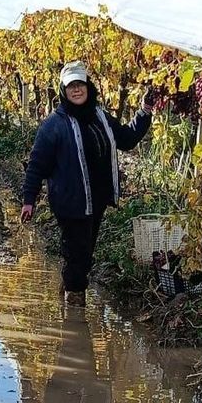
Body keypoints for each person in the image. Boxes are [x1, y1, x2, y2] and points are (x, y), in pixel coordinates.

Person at [21, 61, 154, 306]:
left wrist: (144, 112)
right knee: (78, 252)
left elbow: (126, 139)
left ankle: (69, 286)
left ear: (88, 86)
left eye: (80, 84)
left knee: (84, 250)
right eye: (71, 86)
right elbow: (37, 164)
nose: (76, 90)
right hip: (70, 201)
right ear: (63, 91)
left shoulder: (100, 117)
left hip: (97, 198)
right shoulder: (53, 126)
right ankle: (74, 307)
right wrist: (29, 200)